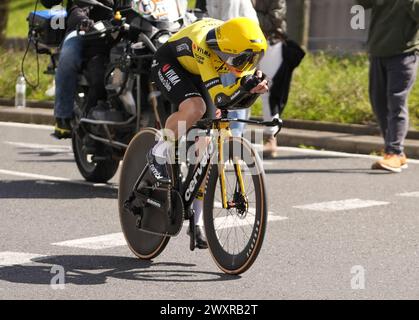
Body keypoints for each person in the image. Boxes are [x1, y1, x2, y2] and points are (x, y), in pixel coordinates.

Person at [149, 17, 269, 248]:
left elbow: (235, 98)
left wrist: (252, 88)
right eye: (245, 59)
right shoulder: (204, 45)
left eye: (254, 59)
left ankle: (197, 221)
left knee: (205, 145)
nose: (248, 64)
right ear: (229, 50)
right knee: (196, 108)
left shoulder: (241, 46)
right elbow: (221, 97)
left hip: (200, 73)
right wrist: (243, 87)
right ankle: (158, 149)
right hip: (170, 63)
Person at [357, 0, 419, 173]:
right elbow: (361, 4)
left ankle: (394, 152)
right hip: (378, 52)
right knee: (379, 104)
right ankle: (394, 152)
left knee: (396, 101)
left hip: (404, 55)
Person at [41, 0, 115, 139]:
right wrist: (83, 21)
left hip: (120, 27)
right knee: (69, 55)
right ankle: (63, 117)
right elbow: (78, 8)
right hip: (83, 27)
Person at [197, 0, 259, 137]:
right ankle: (231, 138)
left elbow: (227, 24)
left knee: (235, 91)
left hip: (237, 47)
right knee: (229, 92)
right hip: (230, 43)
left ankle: (234, 139)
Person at [252, 0, 287, 158]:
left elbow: (275, 18)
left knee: (269, 92)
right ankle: (234, 137)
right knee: (242, 88)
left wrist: (246, 13)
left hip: (269, 42)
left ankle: (271, 138)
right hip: (241, 41)